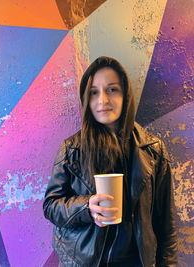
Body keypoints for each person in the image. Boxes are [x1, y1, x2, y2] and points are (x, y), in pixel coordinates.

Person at [43, 56, 177, 267]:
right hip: (83, 262)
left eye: (112, 89)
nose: (103, 100)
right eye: (94, 92)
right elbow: (51, 206)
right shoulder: (72, 149)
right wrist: (86, 207)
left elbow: (166, 227)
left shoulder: (153, 150)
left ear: (126, 94)